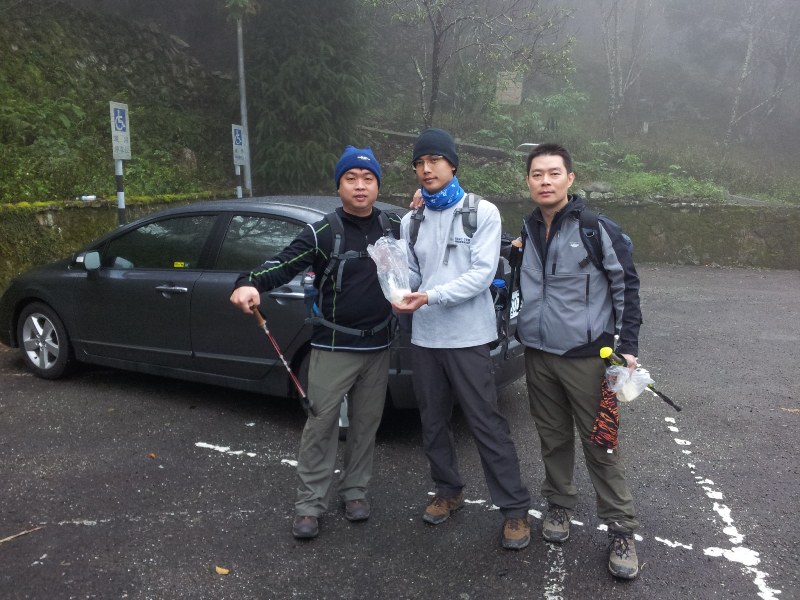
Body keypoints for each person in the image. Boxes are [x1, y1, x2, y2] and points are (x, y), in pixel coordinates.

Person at [230, 146, 400, 540]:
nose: (360, 186)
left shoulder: (393, 225)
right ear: (339, 186)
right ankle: (309, 505)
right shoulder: (323, 231)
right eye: (351, 179)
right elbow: (282, 264)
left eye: (368, 179)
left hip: (378, 347)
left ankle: (355, 492)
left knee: (365, 426)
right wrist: (248, 283)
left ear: (378, 185)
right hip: (333, 348)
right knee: (321, 426)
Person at [392, 128, 532, 550]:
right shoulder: (411, 220)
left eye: (435, 159)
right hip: (425, 338)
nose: (426, 168)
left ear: (452, 164)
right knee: (433, 420)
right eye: (420, 162)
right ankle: (447, 490)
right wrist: (395, 282)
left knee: (486, 422)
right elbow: (413, 273)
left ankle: (514, 509)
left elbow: (481, 274)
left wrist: (429, 296)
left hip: (468, 337)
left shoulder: (480, 212)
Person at [514, 143, 642, 578]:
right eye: (537, 174)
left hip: (588, 358)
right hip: (538, 354)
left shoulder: (595, 228)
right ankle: (559, 505)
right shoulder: (528, 228)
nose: (545, 181)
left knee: (600, 442)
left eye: (554, 173)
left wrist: (628, 344)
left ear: (570, 178)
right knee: (552, 439)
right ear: (528, 181)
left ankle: (621, 528)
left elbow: (627, 285)